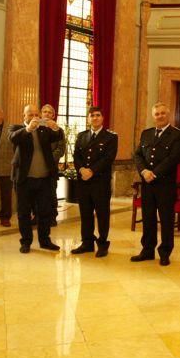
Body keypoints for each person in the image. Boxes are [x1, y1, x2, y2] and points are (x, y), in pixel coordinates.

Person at [131, 102, 180, 266]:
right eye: (157, 114)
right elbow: (138, 155)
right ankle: (147, 250)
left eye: (163, 113)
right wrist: (143, 171)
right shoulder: (146, 133)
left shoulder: (178, 135)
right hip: (147, 183)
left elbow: (173, 158)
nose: (160, 116)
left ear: (168, 115)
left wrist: (154, 173)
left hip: (165, 184)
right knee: (148, 218)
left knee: (166, 219)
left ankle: (165, 252)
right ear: (153, 116)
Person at [10, 104, 64, 253]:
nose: (34, 117)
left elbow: (58, 136)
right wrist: (28, 129)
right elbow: (13, 138)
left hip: (44, 179)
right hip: (24, 180)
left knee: (45, 212)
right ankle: (26, 242)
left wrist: (55, 127)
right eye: (30, 114)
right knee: (24, 212)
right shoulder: (16, 129)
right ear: (24, 115)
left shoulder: (43, 130)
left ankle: (45, 240)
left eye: (36, 114)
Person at [70, 106, 117, 257]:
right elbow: (76, 155)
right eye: (92, 115)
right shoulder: (81, 136)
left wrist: (92, 171)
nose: (95, 118)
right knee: (85, 214)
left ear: (102, 118)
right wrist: (82, 169)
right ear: (88, 118)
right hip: (83, 181)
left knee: (102, 214)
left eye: (98, 115)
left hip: (100, 182)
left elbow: (108, 158)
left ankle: (103, 243)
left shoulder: (111, 137)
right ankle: (87, 242)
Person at [41, 104, 65, 226]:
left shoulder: (59, 131)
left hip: (51, 168)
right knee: (38, 194)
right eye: (44, 111)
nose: (46, 114)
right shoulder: (35, 128)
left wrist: (48, 160)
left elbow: (60, 149)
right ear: (41, 114)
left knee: (51, 193)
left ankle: (52, 217)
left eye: (49, 112)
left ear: (53, 115)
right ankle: (38, 216)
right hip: (36, 168)